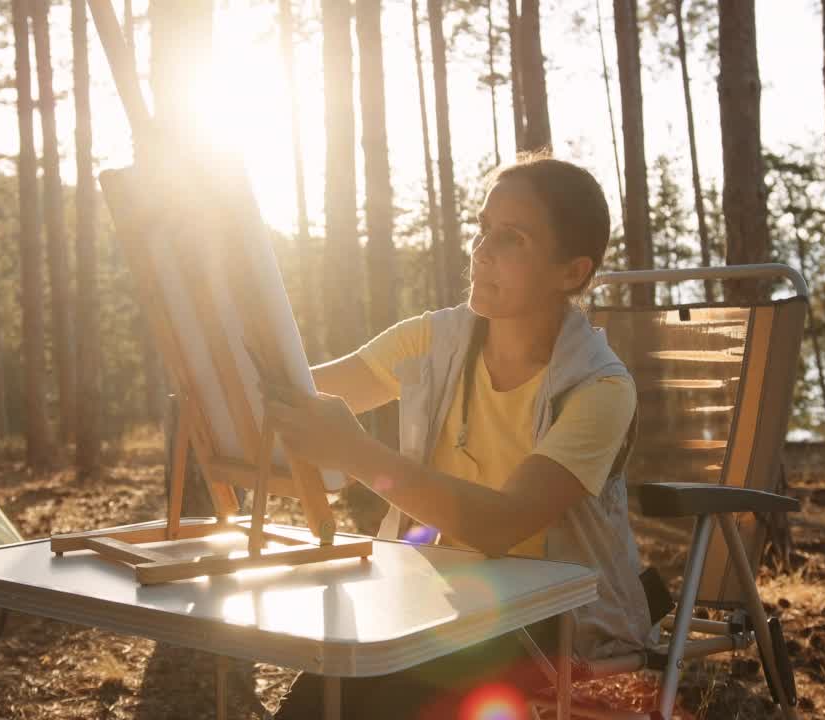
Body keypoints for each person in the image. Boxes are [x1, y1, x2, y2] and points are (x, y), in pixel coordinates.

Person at [262, 152, 653, 718]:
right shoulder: (433, 340)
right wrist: (222, 368)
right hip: (441, 595)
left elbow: (500, 524)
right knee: (322, 694)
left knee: (393, 702)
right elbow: (303, 396)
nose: (481, 251)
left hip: (553, 621)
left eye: (512, 238)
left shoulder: (600, 389)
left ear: (572, 273)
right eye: (482, 229)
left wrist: (352, 452)